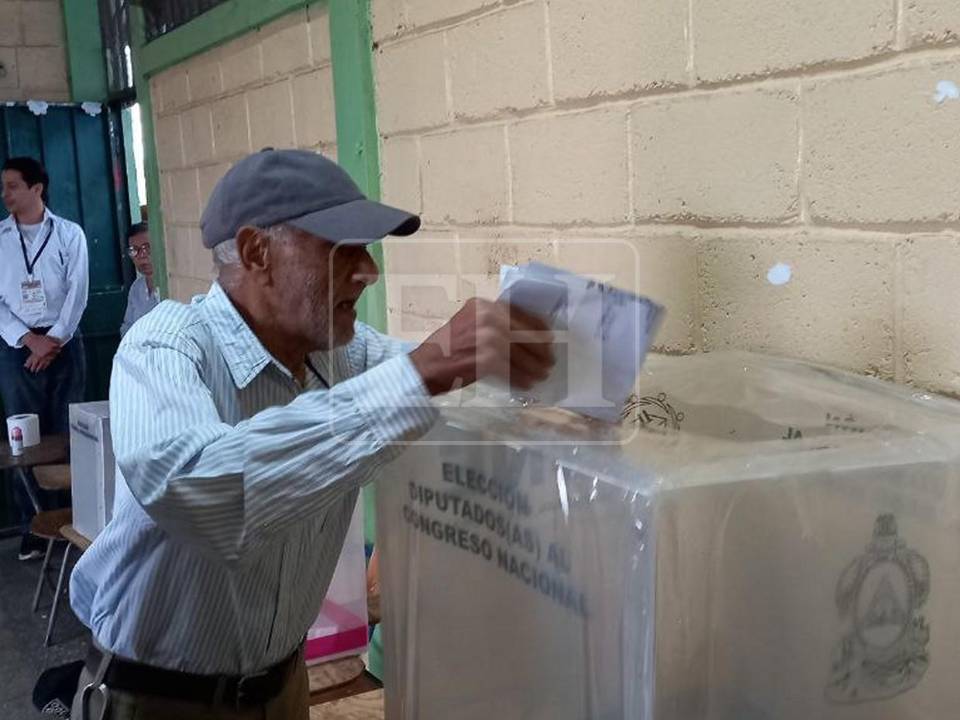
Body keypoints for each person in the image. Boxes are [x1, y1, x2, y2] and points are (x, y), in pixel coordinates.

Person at [69, 149, 553, 720]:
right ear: (256, 252)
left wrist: (561, 368)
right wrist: (424, 373)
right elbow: (196, 488)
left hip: (284, 691)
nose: (368, 271)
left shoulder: (343, 354)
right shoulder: (166, 345)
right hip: (156, 700)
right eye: (341, 249)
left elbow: (451, 389)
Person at [0, 156, 88, 561]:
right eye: (4, 187)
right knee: (25, 441)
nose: (6, 194)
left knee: (70, 433)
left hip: (64, 343)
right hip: (16, 347)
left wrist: (52, 340)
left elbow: (78, 292)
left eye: (14, 186)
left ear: (38, 188)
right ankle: (33, 527)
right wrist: (27, 340)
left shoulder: (69, 234)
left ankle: (78, 518)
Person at [119, 222, 159, 336]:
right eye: (134, 250)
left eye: (147, 247)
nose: (141, 255)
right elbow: (127, 327)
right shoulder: (136, 288)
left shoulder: (172, 285)